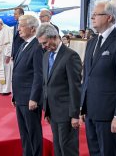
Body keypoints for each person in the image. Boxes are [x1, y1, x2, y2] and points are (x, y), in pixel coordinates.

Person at [80, 0, 116, 156]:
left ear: (109, 17)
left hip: (110, 115)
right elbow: (88, 77)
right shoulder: (91, 42)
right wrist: (83, 106)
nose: (92, 17)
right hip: (91, 112)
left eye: (96, 14)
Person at [37, 24, 82, 156]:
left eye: (45, 42)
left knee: (68, 149)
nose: (43, 46)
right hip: (53, 112)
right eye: (41, 43)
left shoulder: (71, 56)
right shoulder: (46, 56)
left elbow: (75, 87)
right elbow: (46, 84)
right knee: (58, 148)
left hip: (66, 113)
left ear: (55, 37)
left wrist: (74, 115)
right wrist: (47, 110)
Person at [11, 14, 44, 156]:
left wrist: (34, 98)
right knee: (24, 134)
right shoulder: (24, 45)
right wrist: (15, 96)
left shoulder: (37, 46)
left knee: (33, 133)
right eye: (19, 25)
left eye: (22, 25)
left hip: (30, 98)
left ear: (32, 28)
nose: (19, 29)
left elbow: (39, 74)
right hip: (20, 97)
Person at [0, 18, 13, 95]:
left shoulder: (8, 29)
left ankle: (6, 90)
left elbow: (10, 43)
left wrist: (8, 55)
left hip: (5, 53)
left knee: (6, 71)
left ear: (1, 23)